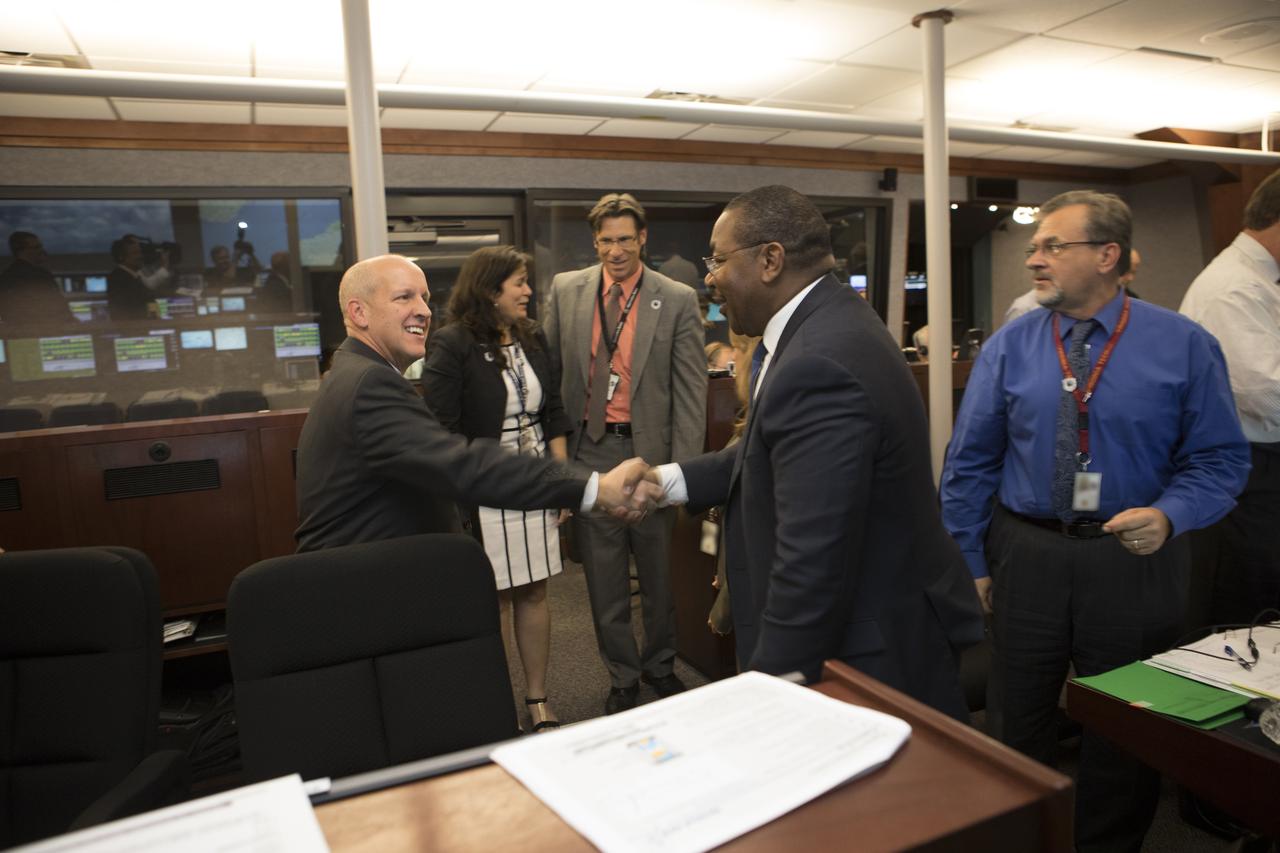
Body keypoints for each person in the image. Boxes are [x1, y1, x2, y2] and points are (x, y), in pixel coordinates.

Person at [940, 190, 1250, 851]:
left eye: (1054, 245)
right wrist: (968, 559)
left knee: (1125, 732)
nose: (1034, 260)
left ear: (1109, 255)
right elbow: (969, 463)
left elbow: (1221, 462)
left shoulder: (1185, 346)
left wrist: (1169, 516)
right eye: (1034, 247)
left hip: (1134, 557)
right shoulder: (1010, 347)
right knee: (1016, 721)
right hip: (1028, 553)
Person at [646, 185, 984, 717]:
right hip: (873, 630)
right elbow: (773, 452)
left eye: (718, 258)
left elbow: (811, 559)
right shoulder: (827, 320)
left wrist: (769, 694)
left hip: (861, 655)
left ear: (770, 259)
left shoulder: (819, 360)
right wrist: (666, 481)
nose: (709, 277)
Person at [294, 254, 650, 555]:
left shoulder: (357, 372)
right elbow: (459, 462)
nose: (424, 310)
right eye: (404, 297)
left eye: (424, 297)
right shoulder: (369, 383)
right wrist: (592, 486)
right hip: (366, 585)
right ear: (359, 313)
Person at [543, 192, 706, 715]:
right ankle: (622, 676)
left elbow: (690, 391)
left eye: (625, 240)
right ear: (596, 242)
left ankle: (660, 665)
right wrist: (558, 465)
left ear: (643, 239)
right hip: (591, 452)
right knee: (605, 581)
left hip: (650, 452)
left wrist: (680, 472)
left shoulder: (676, 297)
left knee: (659, 579)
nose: (616, 251)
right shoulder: (567, 290)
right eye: (607, 240)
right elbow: (550, 383)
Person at [422, 246, 571, 732]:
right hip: (485, 483)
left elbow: (554, 414)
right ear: (490, 290)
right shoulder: (452, 344)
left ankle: (538, 700)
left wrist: (563, 483)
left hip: (535, 479)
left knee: (535, 592)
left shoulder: (532, 336)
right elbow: (442, 430)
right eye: (520, 282)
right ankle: (496, 704)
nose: (529, 291)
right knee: (497, 597)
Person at [1180, 169, 1280, 626]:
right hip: (1250, 474)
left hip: (1261, 469)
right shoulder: (1234, 288)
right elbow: (1268, 394)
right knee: (1252, 613)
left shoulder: (1257, 281)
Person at [1005, 247, 1141, 324]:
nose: (1130, 278)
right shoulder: (1024, 308)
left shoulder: (1133, 304)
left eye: (1133, 272)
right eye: (1127, 271)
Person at [0, 231, 73, 324]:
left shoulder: (5, 277)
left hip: (19, 335)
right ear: (22, 251)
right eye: (37, 247)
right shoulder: (42, 276)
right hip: (49, 330)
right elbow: (60, 310)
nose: (42, 250)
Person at [106, 234, 154, 321]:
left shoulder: (134, 276)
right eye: (135, 253)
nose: (140, 256)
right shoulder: (118, 279)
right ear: (121, 257)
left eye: (140, 252)